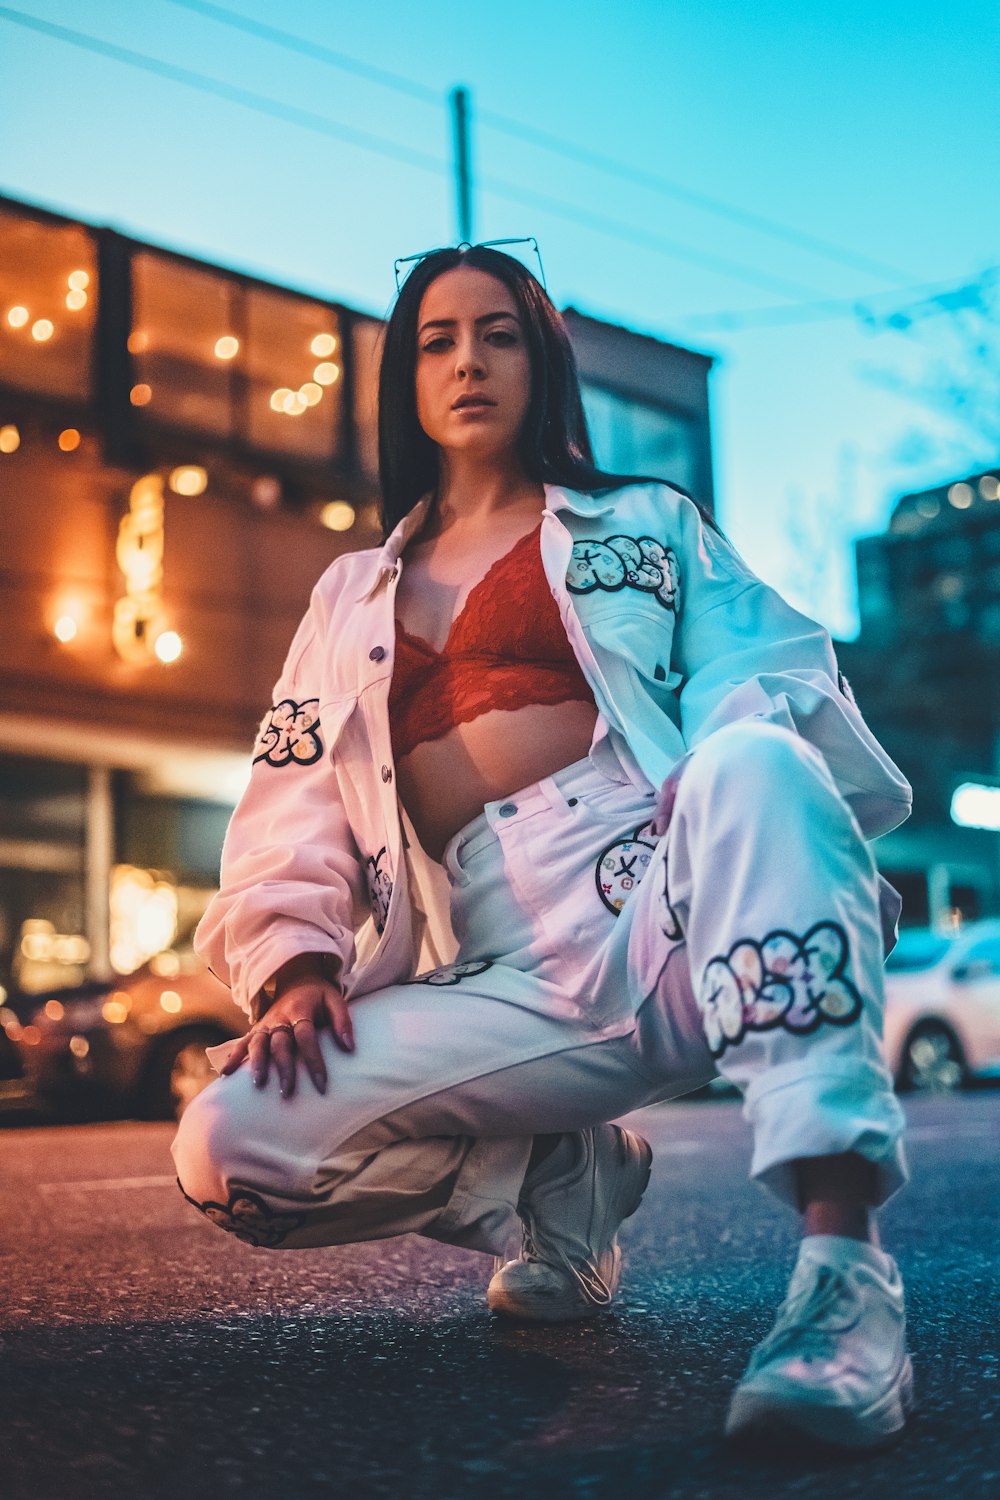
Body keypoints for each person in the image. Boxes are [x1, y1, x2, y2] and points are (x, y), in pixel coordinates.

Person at [171, 241, 914, 1451]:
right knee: (232, 1142)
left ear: (541, 364)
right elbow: (293, 785)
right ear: (404, 382)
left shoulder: (645, 521)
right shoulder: (349, 592)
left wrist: (739, 793)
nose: (469, 360)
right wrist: (298, 966)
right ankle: (556, 1181)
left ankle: (845, 1284)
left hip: (658, 897)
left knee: (757, 755)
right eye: (437, 340)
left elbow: (762, 669)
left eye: (499, 334)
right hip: (488, 971)